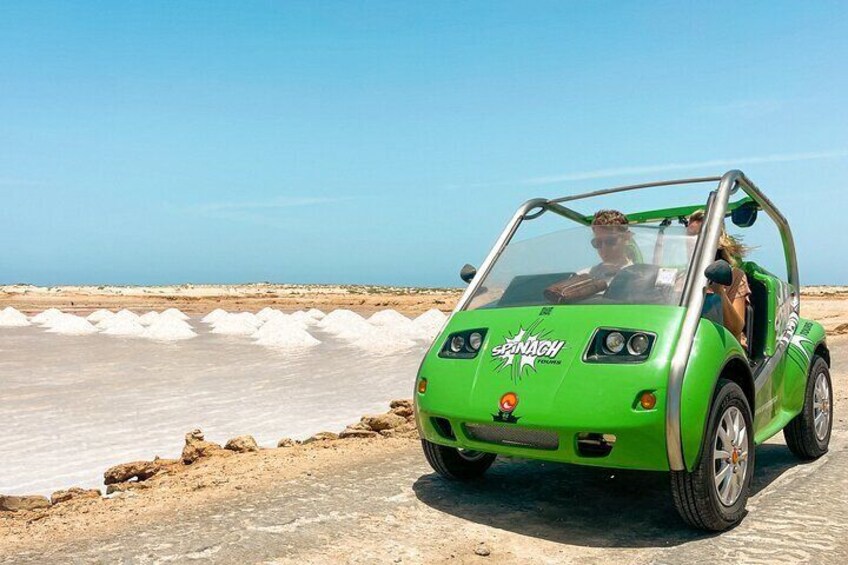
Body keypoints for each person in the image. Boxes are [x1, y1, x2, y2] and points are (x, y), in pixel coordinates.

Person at [687, 210, 751, 343]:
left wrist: (718, 289)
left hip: (723, 348)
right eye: (689, 236)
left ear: (716, 240)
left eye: (699, 236)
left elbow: (735, 329)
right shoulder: (682, 276)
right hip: (687, 343)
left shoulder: (734, 276)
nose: (691, 243)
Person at [587, 209, 633, 284]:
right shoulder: (585, 277)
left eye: (610, 241)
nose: (604, 249)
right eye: (598, 243)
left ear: (627, 237)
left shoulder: (647, 277)